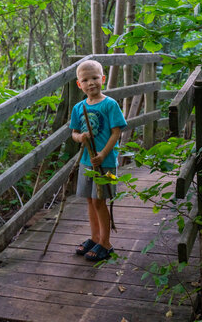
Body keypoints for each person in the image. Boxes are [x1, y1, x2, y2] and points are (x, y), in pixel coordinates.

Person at [69, 60, 127, 261]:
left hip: (107, 162)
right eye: (85, 80)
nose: (91, 83)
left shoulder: (110, 104)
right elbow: (74, 133)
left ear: (102, 79)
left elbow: (116, 132)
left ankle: (106, 243)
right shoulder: (78, 107)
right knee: (90, 200)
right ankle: (95, 238)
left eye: (94, 78)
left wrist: (103, 154)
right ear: (79, 84)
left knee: (100, 201)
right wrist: (80, 137)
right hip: (87, 161)